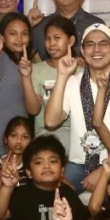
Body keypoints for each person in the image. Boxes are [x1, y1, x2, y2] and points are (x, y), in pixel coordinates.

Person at [43, 24, 110, 188]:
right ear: (82, 50)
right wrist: (62, 76)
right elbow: (51, 122)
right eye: (90, 44)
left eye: (103, 44)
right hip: (77, 165)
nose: (97, 49)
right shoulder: (73, 83)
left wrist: (104, 169)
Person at [0, 134, 90, 220]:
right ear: (29, 172)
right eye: (38, 162)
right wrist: (8, 186)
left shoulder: (68, 194)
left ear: (62, 170)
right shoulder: (22, 194)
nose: (47, 166)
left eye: (53, 161)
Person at [0, 13, 40, 155]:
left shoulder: (28, 63)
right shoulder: (1, 58)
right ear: (2, 37)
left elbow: (33, 109)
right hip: (0, 134)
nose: (19, 39)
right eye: (13, 33)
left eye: (24, 34)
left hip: (22, 135)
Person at [29, 0, 105, 60]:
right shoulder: (40, 25)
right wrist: (28, 25)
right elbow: (20, 58)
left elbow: (105, 60)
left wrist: (87, 64)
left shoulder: (95, 25)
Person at [30, 16, 78, 149]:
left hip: (77, 139)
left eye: (57, 38)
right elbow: (33, 109)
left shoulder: (81, 72)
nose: (51, 44)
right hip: (44, 137)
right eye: (47, 38)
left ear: (71, 40)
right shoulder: (36, 69)